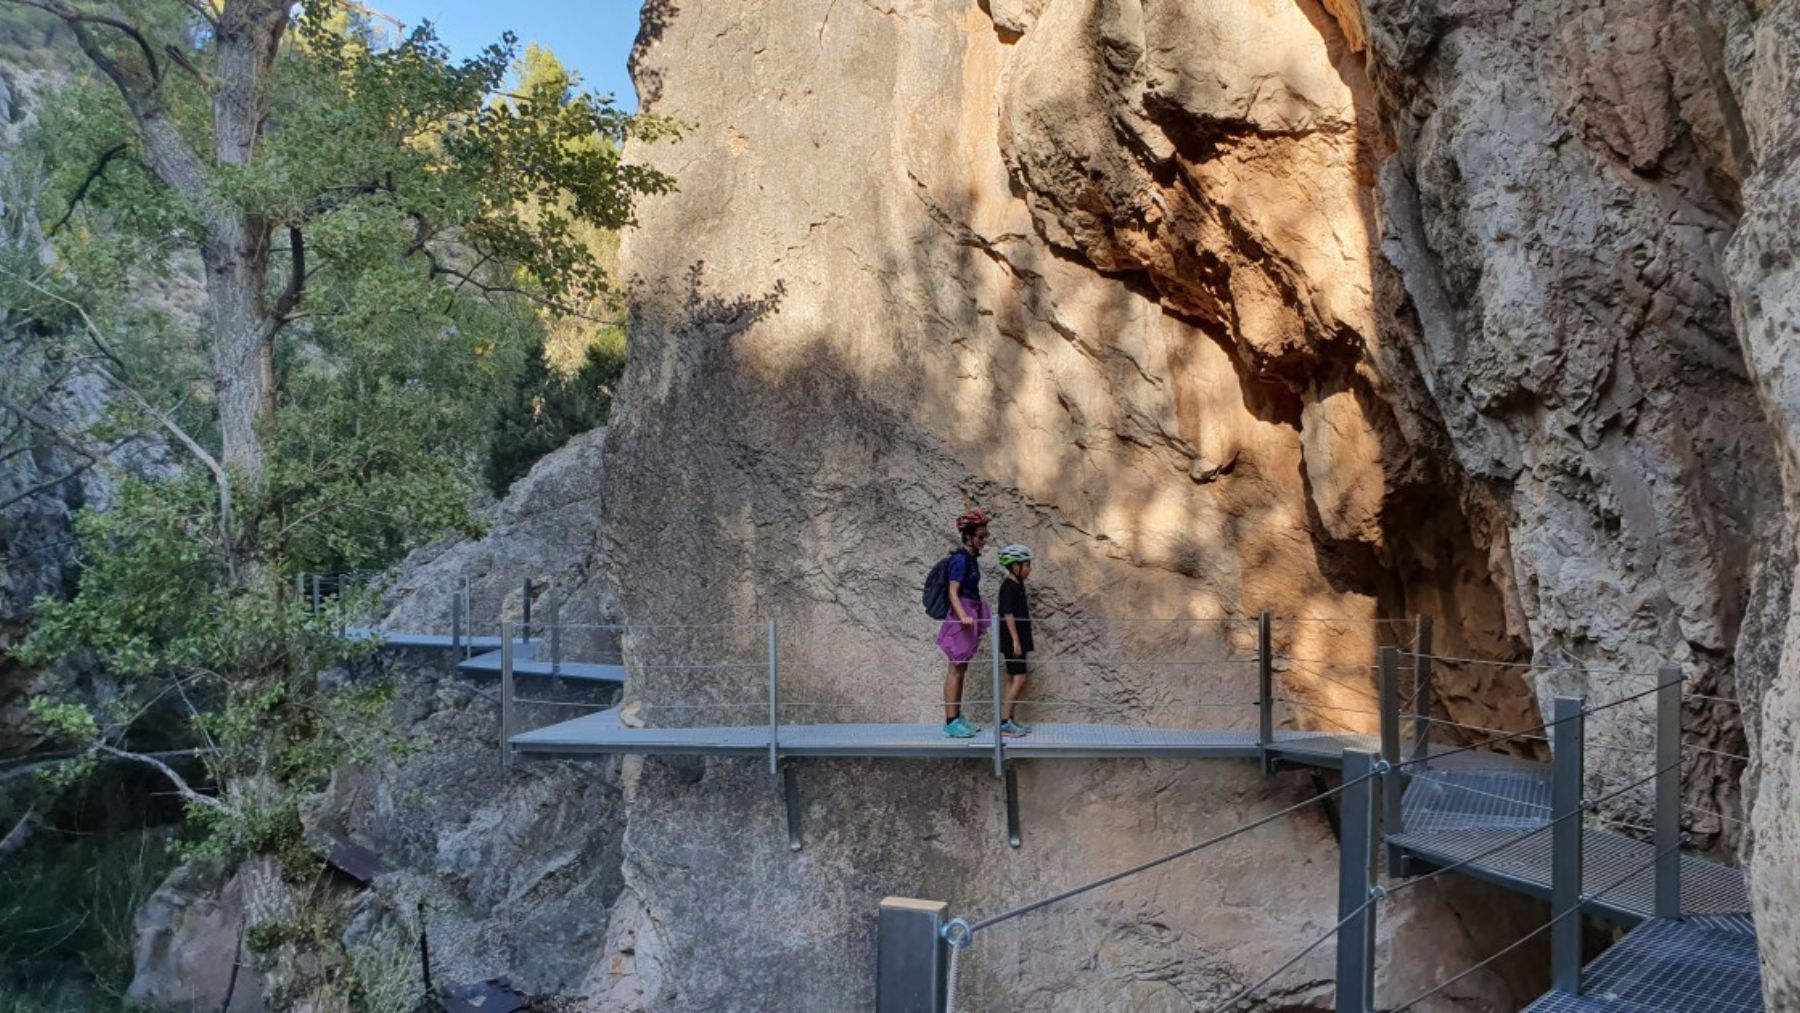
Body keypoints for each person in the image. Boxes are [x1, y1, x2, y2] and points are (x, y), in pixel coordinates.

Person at [937, 508, 991, 738]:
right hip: (963, 615)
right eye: (980, 536)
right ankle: (950, 721)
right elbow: (953, 592)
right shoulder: (960, 559)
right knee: (955, 668)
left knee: (962, 668)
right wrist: (963, 616)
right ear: (968, 536)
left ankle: (957, 717)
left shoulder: (970, 559)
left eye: (985, 536)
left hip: (970, 611)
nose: (984, 541)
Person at [996, 544, 1034, 737]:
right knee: (1019, 678)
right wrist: (1016, 641)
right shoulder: (1008, 587)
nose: (1029, 569)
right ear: (1015, 566)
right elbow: (1007, 613)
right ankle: (1003, 722)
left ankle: (1008, 719)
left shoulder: (1017, 585)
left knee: (1013, 678)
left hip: (1018, 639)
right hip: (1013, 641)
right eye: (1027, 565)